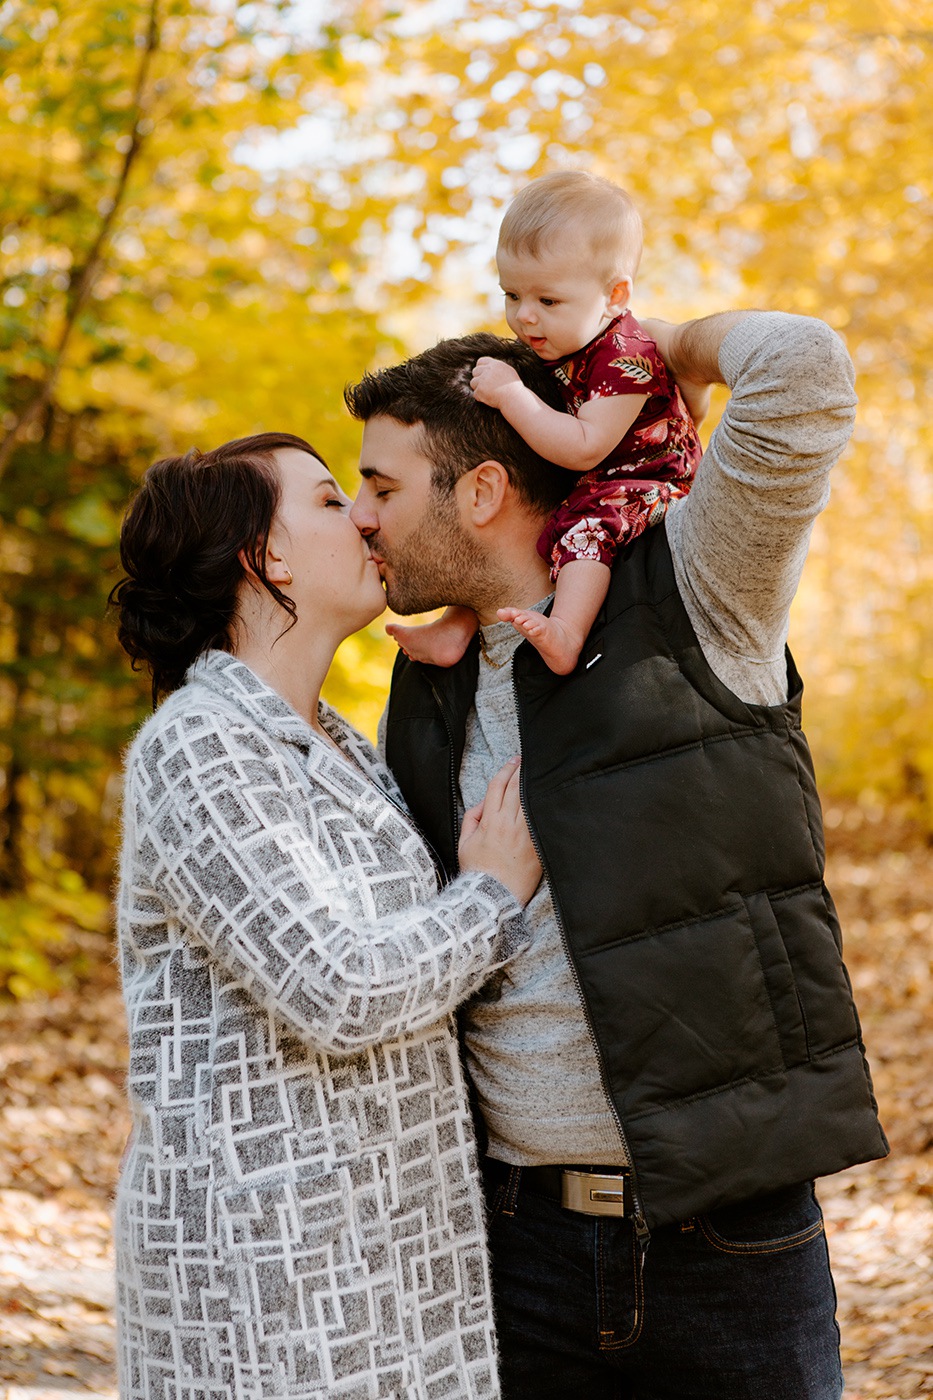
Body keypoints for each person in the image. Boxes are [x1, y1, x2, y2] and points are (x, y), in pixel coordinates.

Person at [346, 311, 889, 1398]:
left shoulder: (693, 583)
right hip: (506, 1250)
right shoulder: (429, 673)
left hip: (726, 1242)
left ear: (483, 491)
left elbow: (806, 372)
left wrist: (628, 352)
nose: (361, 518)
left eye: (382, 487)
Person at [109, 431, 543, 1400]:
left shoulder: (339, 743)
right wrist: (489, 893)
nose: (360, 513)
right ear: (264, 560)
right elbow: (340, 986)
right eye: (323, 498)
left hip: (385, 1259)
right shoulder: (198, 749)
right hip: (268, 1287)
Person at [387, 171, 702, 675]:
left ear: (615, 295)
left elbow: (584, 447)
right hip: (597, 476)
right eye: (512, 296)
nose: (525, 317)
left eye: (547, 301)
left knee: (584, 528)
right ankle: (457, 626)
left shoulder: (625, 355)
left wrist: (513, 395)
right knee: (508, 525)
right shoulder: (563, 340)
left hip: (649, 479)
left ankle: (567, 633)